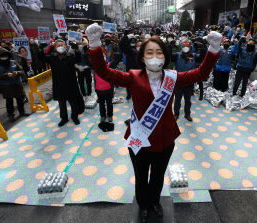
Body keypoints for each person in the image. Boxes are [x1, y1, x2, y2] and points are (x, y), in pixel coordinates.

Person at [85, 23, 221, 223]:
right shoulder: (132, 77)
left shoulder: (172, 78)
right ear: (142, 57)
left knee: (157, 176)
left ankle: (155, 201)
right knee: (141, 177)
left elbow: (201, 74)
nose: (155, 56)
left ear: (165, 57)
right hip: (139, 138)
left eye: (159, 52)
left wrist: (213, 50)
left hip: (165, 139)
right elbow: (105, 73)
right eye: (149, 53)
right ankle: (143, 204)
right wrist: (95, 45)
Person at [43, 39, 82, 127]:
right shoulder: (52, 57)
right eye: (58, 45)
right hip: (59, 84)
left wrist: (77, 49)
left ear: (65, 46)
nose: (60, 47)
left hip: (71, 83)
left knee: (73, 102)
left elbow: (78, 59)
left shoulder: (70, 55)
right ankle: (64, 119)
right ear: (55, 47)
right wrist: (40, 49)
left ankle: (75, 117)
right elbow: (43, 58)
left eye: (62, 45)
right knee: (61, 103)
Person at [0, 47, 30, 122]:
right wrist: (6, 75)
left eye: (6, 55)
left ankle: (22, 112)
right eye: (2, 56)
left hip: (17, 83)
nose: (4, 57)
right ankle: (11, 115)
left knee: (20, 99)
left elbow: (21, 70)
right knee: (9, 101)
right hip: (6, 86)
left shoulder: (13, 62)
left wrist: (17, 73)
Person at [171, 40, 206, 121]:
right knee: (177, 100)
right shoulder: (177, 55)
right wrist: (170, 46)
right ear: (181, 47)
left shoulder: (194, 56)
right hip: (179, 82)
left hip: (189, 82)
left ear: (190, 47)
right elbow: (169, 55)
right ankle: (176, 114)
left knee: (188, 100)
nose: (185, 48)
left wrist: (202, 48)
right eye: (183, 46)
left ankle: (187, 114)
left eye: (187, 46)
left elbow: (202, 58)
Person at [95, 53, 114, 122]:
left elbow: (117, 60)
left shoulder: (109, 65)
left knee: (109, 103)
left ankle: (110, 115)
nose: (102, 58)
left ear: (106, 57)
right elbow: (87, 61)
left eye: (103, 56)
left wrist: (117, 53)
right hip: (99, 89)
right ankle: (103, 116)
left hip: (108, 89)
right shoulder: (95, 66)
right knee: (101, 104)